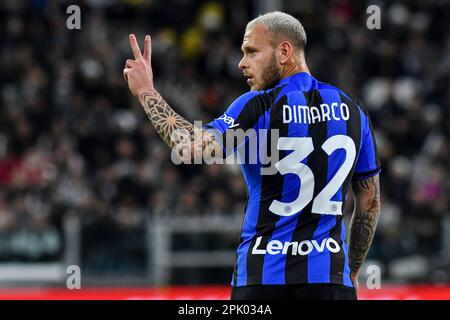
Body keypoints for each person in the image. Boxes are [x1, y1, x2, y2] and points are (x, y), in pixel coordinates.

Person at [123, 11, 381, 300]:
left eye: (251, 51)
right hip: (331, 280)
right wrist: (352, 270)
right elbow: (369, 202)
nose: (241, 63)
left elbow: (189, 147)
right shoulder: (354, 111)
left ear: (284, 51)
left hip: (262, 279)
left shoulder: (257, 106)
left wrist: (146, 91)